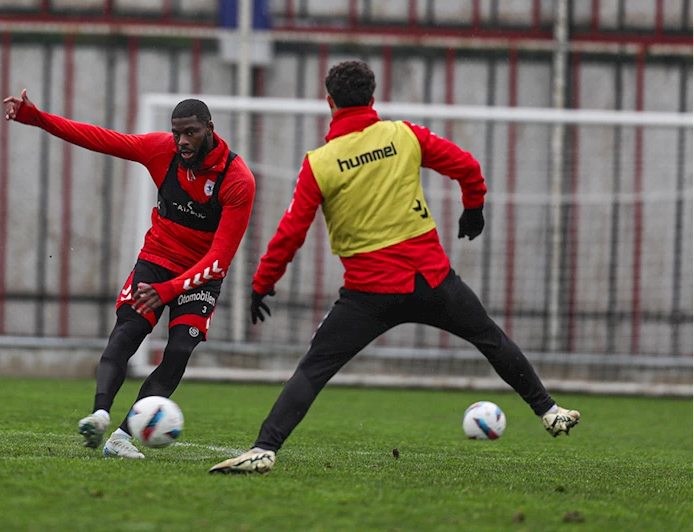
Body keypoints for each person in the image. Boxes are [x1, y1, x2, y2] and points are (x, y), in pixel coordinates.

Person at [209, 60, 579, 474]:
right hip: (432, 280)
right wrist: (473, 209)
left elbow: (290, 232)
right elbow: (468, 167)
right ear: (372, 98)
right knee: (489, 337)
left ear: (329, 102)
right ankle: (549, 410)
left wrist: (262, 282)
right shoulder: (404, 136)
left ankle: (264, 449)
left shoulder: (321, 163)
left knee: (314, 369)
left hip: (369, 294)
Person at [4, 90, 255, 459]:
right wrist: (36, 117)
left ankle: (122, 437)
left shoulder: (237, 179)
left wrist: (169, 290)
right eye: (177, 133)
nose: (183, 141)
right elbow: (99, 138)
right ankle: (100, 415)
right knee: (127, 331)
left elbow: (218, 260)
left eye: (191, 132)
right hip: (158, 258)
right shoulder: (160, 151)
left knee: (179, 350)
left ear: (210, 129)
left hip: (199, 275)